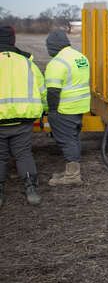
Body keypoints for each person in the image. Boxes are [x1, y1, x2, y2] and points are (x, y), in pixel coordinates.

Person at [0, 25, 45, 206]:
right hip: (23, 119)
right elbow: (41, 90)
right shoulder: (27, 62)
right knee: (23, 154)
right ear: (13, 40)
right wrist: (45, 109)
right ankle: (31, 189)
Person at [45, 30, 90, 186]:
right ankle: (71, 171)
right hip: (80, 106)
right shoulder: (80, 57)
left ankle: (73, 176)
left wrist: (52, 110)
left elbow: (52, 91)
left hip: (64, 108)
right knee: (73, 138)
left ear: (53, 46)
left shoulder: (57, 63)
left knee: (67, 141)